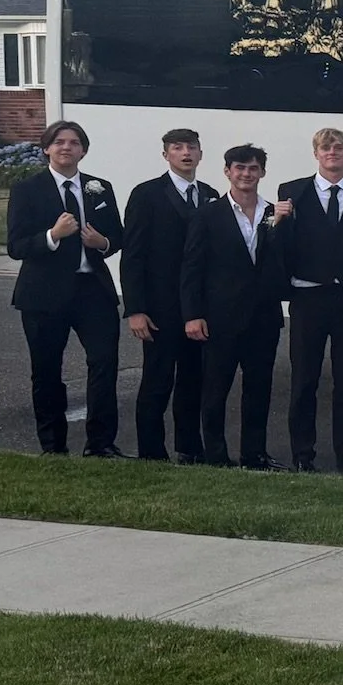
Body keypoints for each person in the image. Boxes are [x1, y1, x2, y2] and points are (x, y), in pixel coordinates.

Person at [8, 120, 125, 457]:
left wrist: (102, 242)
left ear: (83, 150)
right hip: (44, 293)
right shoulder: (27, 189)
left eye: (74, 142)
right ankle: (53, 446)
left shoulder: (99, 188)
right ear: (47, 148)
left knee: (104, 363)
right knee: (46, 370)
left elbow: (116, 236)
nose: (66, 147)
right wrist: (52, 236)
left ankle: (101, 443)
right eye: (59, 142)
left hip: (92, 289)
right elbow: (16, 245)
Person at [182, 144, 292, 469]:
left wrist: (282, 227)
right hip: (219, 319)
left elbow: (285, 261)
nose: (246, 174)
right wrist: (192, 314)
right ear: (227, 171)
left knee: (259, 391)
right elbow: (192, 267)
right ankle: (216, 455)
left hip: (263, 317)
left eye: (253, 168)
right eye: (239, 168)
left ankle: (254, 454)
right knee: (215, 391)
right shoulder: (207, 214)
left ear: (262, 173)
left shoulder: (276, 213)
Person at [276, 127, 343, 475]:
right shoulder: (292, 193)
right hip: (308, 295)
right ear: (316, 153)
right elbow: (282, 243)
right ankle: (303, 453)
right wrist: (280, 221)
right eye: (326, 147)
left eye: (339, 147)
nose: (332, 152)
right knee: (305, 378)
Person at [121, 128, 218, 464]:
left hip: (197, 309)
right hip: (159, 308)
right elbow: (132, 256)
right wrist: (135, 309)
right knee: (157, 381)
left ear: (201, 154)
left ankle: (189, 447)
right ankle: (151, 451)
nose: (185, 153)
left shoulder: (210, 194)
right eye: (177, 148)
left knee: (194, 381)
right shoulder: (146, 194)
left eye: (191, 147)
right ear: (166, 155)